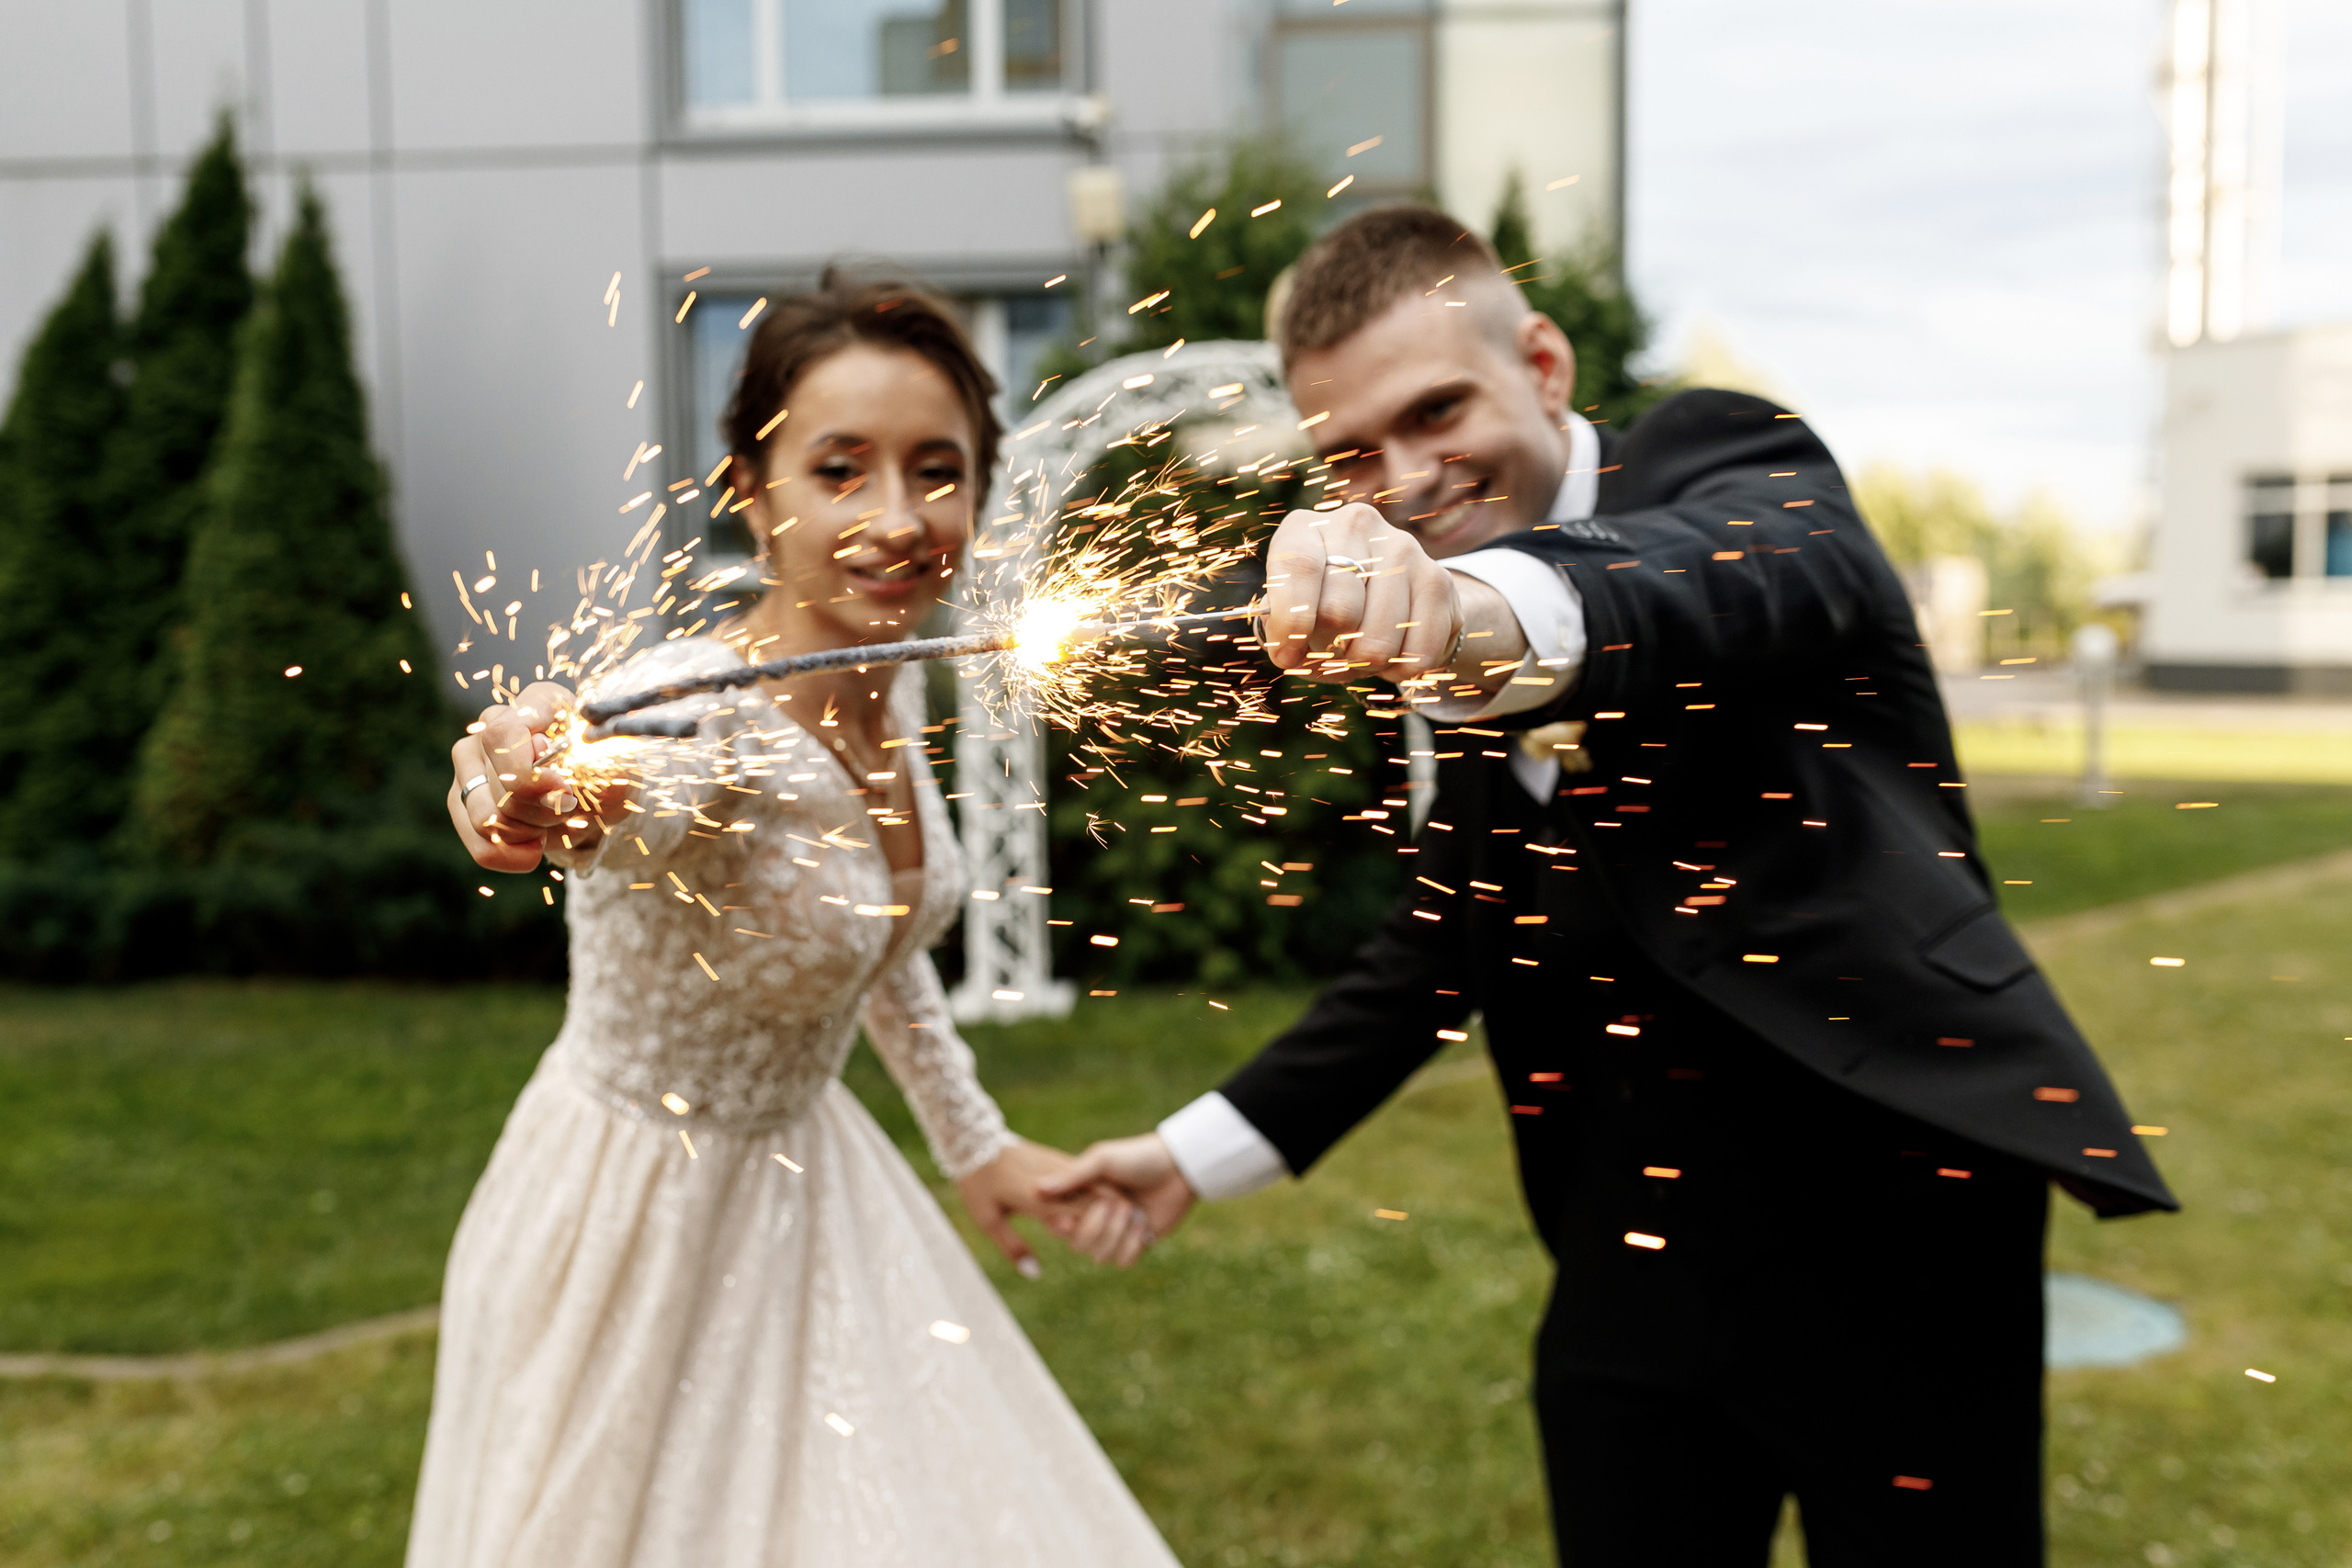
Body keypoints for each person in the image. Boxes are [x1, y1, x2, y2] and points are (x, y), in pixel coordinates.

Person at [1045, 207, 2177, 1564]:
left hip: (1900, 1232)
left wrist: (1477, 617)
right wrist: (1191, 1155)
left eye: (1438, 411)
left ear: (1543, 363)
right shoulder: (1423, 611)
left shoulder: (1726, 461)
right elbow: (1440, 947)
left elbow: (1721, 577)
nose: (1405, 478)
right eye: (1352, 455)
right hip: (1625, 1259)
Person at [415, 273, 1170, 1568]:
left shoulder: (889, 693)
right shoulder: (694, 708)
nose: (899, 518)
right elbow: (625, 790)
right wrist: (540, 781)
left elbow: (869, 950)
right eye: (839, 470)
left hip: (813, 1192)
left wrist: (974, 1143)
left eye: (938, 471)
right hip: (632, 1231)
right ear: (753, 497)